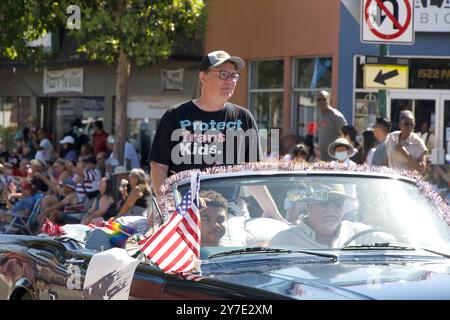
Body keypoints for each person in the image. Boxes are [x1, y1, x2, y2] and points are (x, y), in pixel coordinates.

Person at [150, 50, 262, 195]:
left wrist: (272, 210)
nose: (230, 81)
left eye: (234, 76)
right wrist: (167, 205)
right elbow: (159, 167)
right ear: (203, 76)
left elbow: (253, 174)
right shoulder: (175, 115)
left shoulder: (244, 117)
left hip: (228, 209)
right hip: (185, 208)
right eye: (223, 74)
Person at [270, 184, 393, 248]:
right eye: (324, 203)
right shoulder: (283, 241)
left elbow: (393, 243)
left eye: (338, 203)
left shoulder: (358, 234)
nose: (331, 209)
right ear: (307, 205)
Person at [385, 110, 427, 174]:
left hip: (407, 181)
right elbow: (387, 159)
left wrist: (405, 153)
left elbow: (421, 169)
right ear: (400, 124)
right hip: (392, 180)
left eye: (412, 125)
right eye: (406, 124)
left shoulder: (418, 142)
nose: (409, 127)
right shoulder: (392, 137)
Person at [316, 90, 348, 161]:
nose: (321, 102)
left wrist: (341, 154)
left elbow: (346, 135)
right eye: (319, 100)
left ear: (329, 100)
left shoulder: (336, 116)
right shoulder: (319, 117)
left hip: (334, 157)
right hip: (322, 156)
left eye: (324, 99)